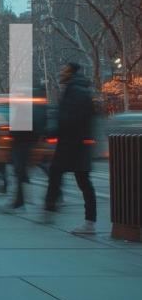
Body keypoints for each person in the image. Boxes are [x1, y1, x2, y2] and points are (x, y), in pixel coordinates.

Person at [44, 63, 97, 234]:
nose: (61, 72)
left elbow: (70, 117)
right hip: (74, 143)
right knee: (74, 178)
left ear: (71, 73)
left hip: (74, 143)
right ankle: (51, 208)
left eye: (64, 70)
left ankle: (88, 222)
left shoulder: (76, 90)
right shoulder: (76, 89)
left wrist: (54, 129)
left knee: (79, 180)